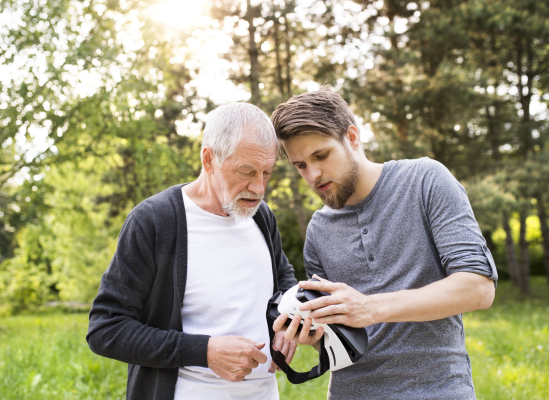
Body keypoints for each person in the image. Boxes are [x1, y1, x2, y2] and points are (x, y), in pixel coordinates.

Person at [270, 87, 497, 400]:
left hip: (440, 391)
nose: (313, 175)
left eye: (321, 155)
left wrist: (371, 307)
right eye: (301, 165)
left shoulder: (426, 180)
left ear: (352, 137)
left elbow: (479, 287)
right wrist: (314, 334)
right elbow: (338, 338)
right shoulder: (318, 230)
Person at [87, 102, 298, 400]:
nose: (259, 187)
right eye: (246, 171)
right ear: (208, 159)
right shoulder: (154, 221)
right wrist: (205, 351)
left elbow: (283, 278)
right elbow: (105, 329)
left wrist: (286, 322)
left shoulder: (261, 216)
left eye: (267, 172)